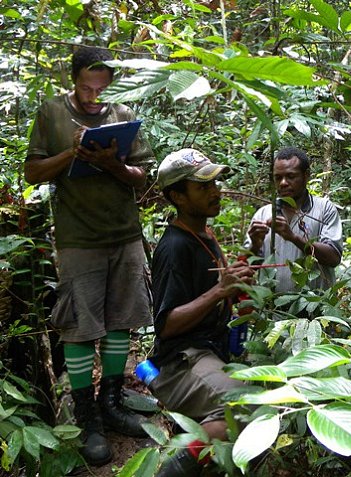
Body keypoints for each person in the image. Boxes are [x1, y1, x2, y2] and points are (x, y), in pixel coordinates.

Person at [24, 46, 154, 466]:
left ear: (111, 83)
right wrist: (73, 154)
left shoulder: (122, 114)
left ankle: (112, 401)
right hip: (79, 237)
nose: (93, 95)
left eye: (101, 87)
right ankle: (86, 414)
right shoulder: (51, 113)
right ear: (74, 78)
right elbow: (32, 172)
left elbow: (142, 178)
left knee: (121, 320)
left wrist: (112, 163)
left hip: (125, 234)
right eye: (85, 86)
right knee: (80, 325)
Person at [150, 148, 255, 476]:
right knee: (244, 406)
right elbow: (165, 325)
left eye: (216, 183)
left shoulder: (204, 234)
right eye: (203, 186)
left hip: (211, 348)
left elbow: (216, 294)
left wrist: (235, 288)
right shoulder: (174, 247)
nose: (215, 191)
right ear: (177, 196)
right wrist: (218, 292)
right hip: (179, 361)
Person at [245, 147, 343, 293]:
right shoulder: (263, 214)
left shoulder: (323, 209)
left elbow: (333, 257)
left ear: (306, 175)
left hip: (315, 310)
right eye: (278, 178)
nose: (283, 183)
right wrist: (254, 245)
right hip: (272, 311)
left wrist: (293, 237)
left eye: (291, 176)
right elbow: (247, 266)